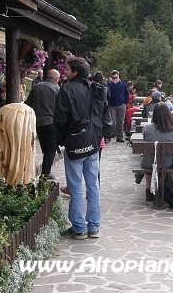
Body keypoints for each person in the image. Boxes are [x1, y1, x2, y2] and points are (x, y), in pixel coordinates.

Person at [55, 57, 111, 239]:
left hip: (74, 142)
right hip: (93, 142)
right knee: (93, 185)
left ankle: (79, 228)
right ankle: (94, 226)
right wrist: (102, 136)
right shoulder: (97, 89)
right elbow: (105, 115)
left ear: (75, 72)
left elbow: (61, 119)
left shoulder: (66, 90)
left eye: (68, 69)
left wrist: (62, 140)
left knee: (75, 185)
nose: (65, 72)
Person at [140, 102, 173, 201]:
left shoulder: (147, 128)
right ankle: (163, 188)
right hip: (167, 163)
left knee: (151, 159)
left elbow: (145, 139)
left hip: (148, 163)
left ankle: (148, 189)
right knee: (165, 160)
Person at [24, 69, 61, 178]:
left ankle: (45, 171)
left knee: (45, 147)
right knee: (51, 149)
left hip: (38, 122)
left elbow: (27, 104)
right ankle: (45, 173)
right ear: (56, 79)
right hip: (51, 122)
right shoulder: (56, 89)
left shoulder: (36, 87)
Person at [106, 70, 130, 143]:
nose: (115, 79)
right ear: (111, 78)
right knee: (112, 122)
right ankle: (110, 135)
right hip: (112, 105)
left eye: (116, 77)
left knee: (120, 122)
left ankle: (119, 137)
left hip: (121, 104)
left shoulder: (123, 84)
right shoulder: (109, 85)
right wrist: (113, 84)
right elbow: (108, 94)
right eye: (113, 78)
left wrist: (125, 102)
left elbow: (127, 93)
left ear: (119, 77)